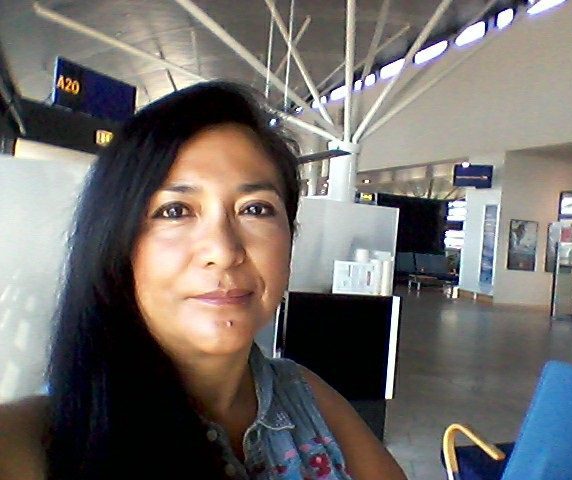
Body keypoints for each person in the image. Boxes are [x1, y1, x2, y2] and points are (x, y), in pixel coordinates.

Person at [0, 81, 407, 480]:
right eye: (175, 211)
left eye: (255, 209)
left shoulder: (307, 399)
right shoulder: (32, 442)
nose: (224, 250)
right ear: (115, 244)